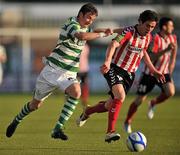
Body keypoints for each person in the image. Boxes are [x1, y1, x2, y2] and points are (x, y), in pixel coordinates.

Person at [6, 3, 113, 140]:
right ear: (80, 14)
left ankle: (58, 128)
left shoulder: (86, 27)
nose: (89, 21)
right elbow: (81, 36)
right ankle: (16, 120)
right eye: (88, 18)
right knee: (35, 105)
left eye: (92, 19)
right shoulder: (71, 23)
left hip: (68, 73)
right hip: (51, 71)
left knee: (76, 92)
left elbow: (93, 29)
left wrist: (112, 30)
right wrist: (102, 34)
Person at [77, 10, 165, 143]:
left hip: (130, 75)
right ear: (140, 22)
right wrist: (107, 61)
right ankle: (110, 132)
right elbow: (113, 44)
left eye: (152, 27)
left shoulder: (148, 37)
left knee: (109, 105)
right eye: (148, 25)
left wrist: (154, 70)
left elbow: (143, 53)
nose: (150, 29)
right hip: (115, 68)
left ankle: (88, 111)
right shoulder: (129, 32)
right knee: (120, 96)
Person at [123, 17, 177, 133]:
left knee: (170, 92)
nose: (172, 28)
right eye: (170, 26)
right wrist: (166, 50)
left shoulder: (173, 38)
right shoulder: (155, 38)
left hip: (164, 73)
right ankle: (127, 121)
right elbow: (151, 57)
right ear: (164, 27)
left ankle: (153, 103)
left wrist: (170, 70)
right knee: (139, 100)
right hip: (150, 74)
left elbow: (173, 54)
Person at [77, 43, 90, 110]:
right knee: (76, 86)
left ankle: (84, 100)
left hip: (83, 69)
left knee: (84, 85)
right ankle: (71, 99)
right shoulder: (86, 46)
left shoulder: (85, 46)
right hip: (78, 69)